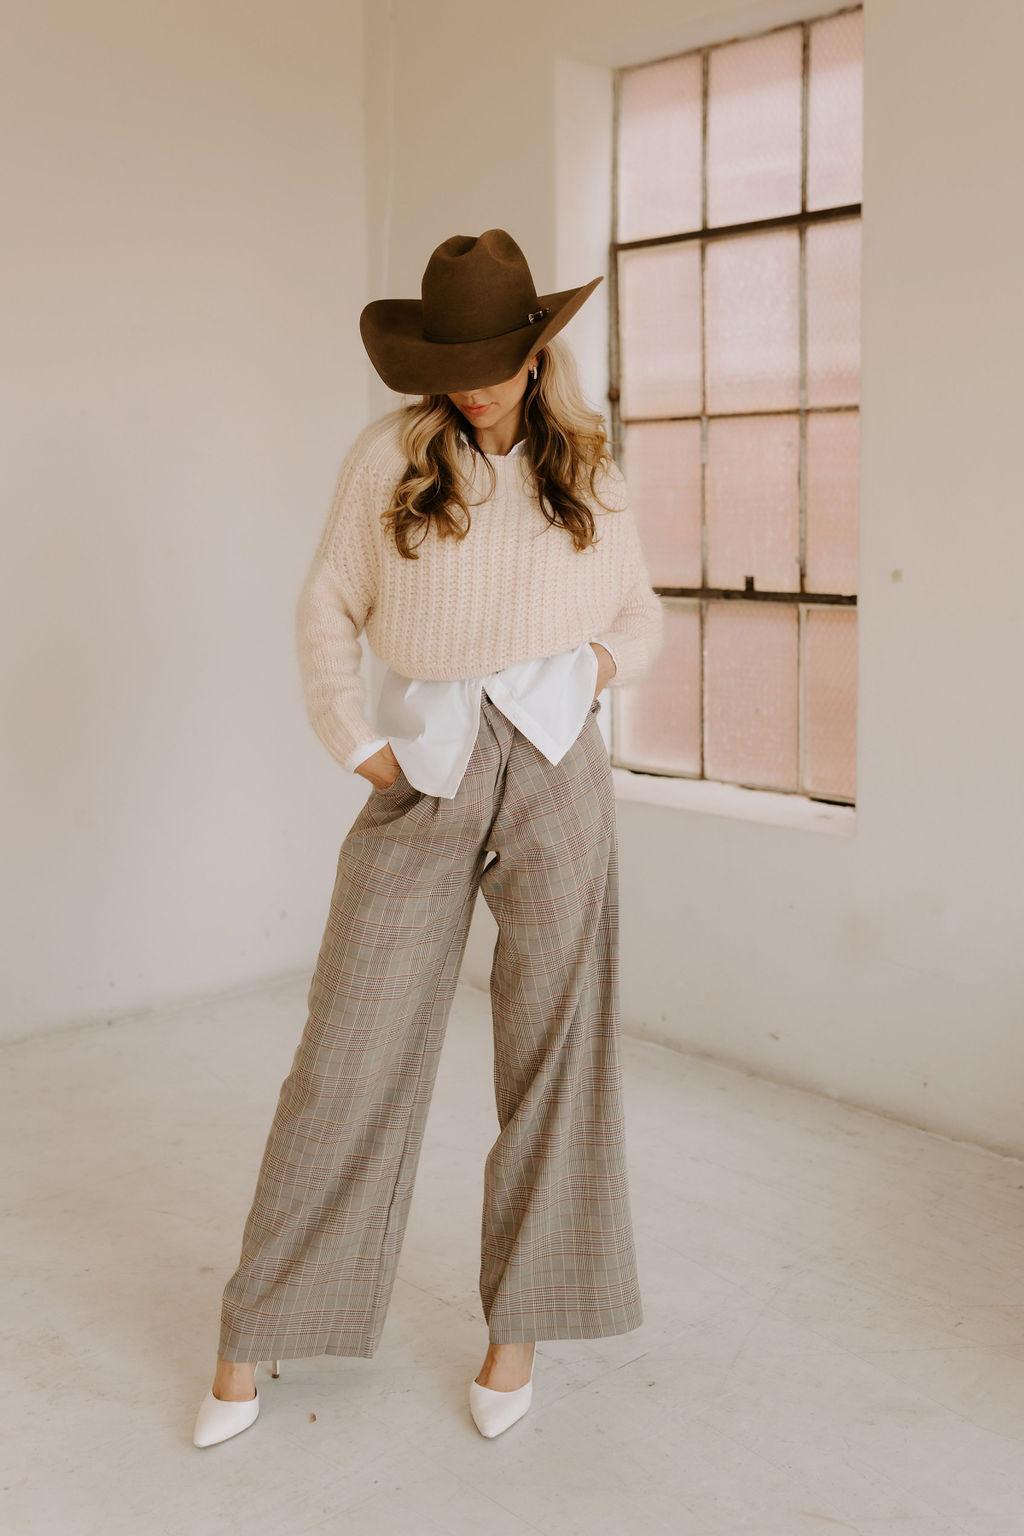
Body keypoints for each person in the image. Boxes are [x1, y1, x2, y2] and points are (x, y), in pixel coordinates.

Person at [193, 229, 663, 1448]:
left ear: (535, 352)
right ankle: (259, 1326)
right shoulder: (390, 457)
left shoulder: (589, 467)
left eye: (491, 362)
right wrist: (356, 742)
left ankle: (519, 1333)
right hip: (428, 766)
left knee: (556, 1050)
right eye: (450, 365)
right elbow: (327, 602)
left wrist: (593, 672)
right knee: (349, 1050)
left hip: (555, 762)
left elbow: (638, 607)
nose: (472, 386)